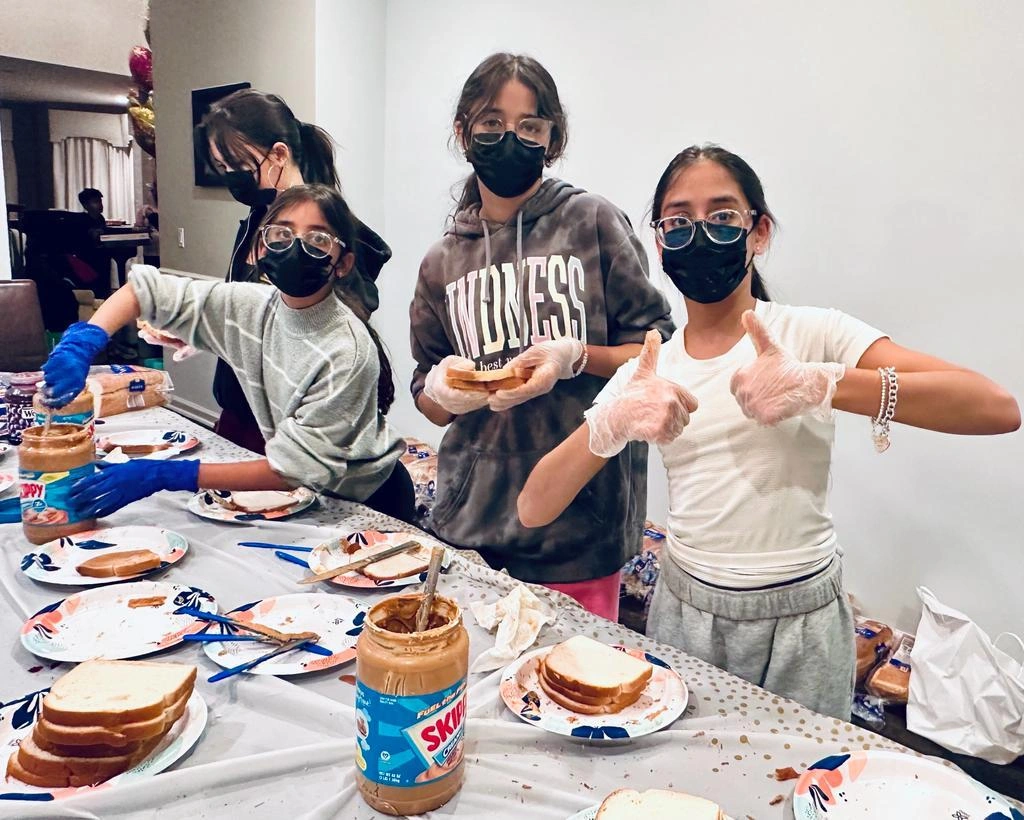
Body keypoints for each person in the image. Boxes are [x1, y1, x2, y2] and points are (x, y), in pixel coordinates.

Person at [517, 144, 1021, 718]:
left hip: (802, 623)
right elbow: (533, 506)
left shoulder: (811, 334)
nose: (700, 234)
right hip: (685, 614)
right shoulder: (653, 367)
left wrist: (825, 384)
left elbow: (995, 407)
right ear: (659, 243)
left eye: (722, 216)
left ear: (759, 232)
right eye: (678, 221)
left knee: (802, 770)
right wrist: (609, 425)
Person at [410, 53, 675, 621]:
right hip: (472, 525)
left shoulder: (593, 223)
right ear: (463, 132)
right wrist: (441, 390)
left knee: (570, 673)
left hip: (582, 528)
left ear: (552, 139)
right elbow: (427, 398)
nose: (510, 138)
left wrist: (577, 357)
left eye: (529, 126)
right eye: (491, 122)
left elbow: (655, 353)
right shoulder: (441, 262)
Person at [40, 185, 413, 523]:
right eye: (282, 234)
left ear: (343, 263)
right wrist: (84, 340)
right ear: (261, 248)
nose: (296, 248)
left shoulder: (346, 351)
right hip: (311, 491)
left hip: (368, 500)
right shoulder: (250, 307)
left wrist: (168, 474)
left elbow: (292, 470)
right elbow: (144, 291)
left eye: (317, 240)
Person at [199, 89, 391, 454]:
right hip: (240, 413)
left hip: (293, 427)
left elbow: (330, 341)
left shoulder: (331, 240)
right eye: (223, 168)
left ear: (278, 155)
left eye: (238, 165)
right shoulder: (254, 224)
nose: (232, 178)